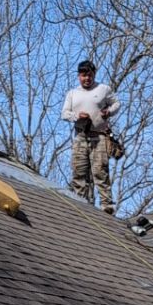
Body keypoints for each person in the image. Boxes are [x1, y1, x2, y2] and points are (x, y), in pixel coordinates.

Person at [61, 58, 120, 211]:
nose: (87, 78)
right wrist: (77, 116)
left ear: (94, 75)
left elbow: (116, 104)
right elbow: (64, 114)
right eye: (83, 75)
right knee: (79, 172)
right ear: (78, 76)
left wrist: (109, 112)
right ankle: (80, 205)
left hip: (99, 136)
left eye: (89, 75)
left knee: (100, 171)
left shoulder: (103, 89)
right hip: (81, 136)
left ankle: (107, 206)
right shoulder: (73, 93)